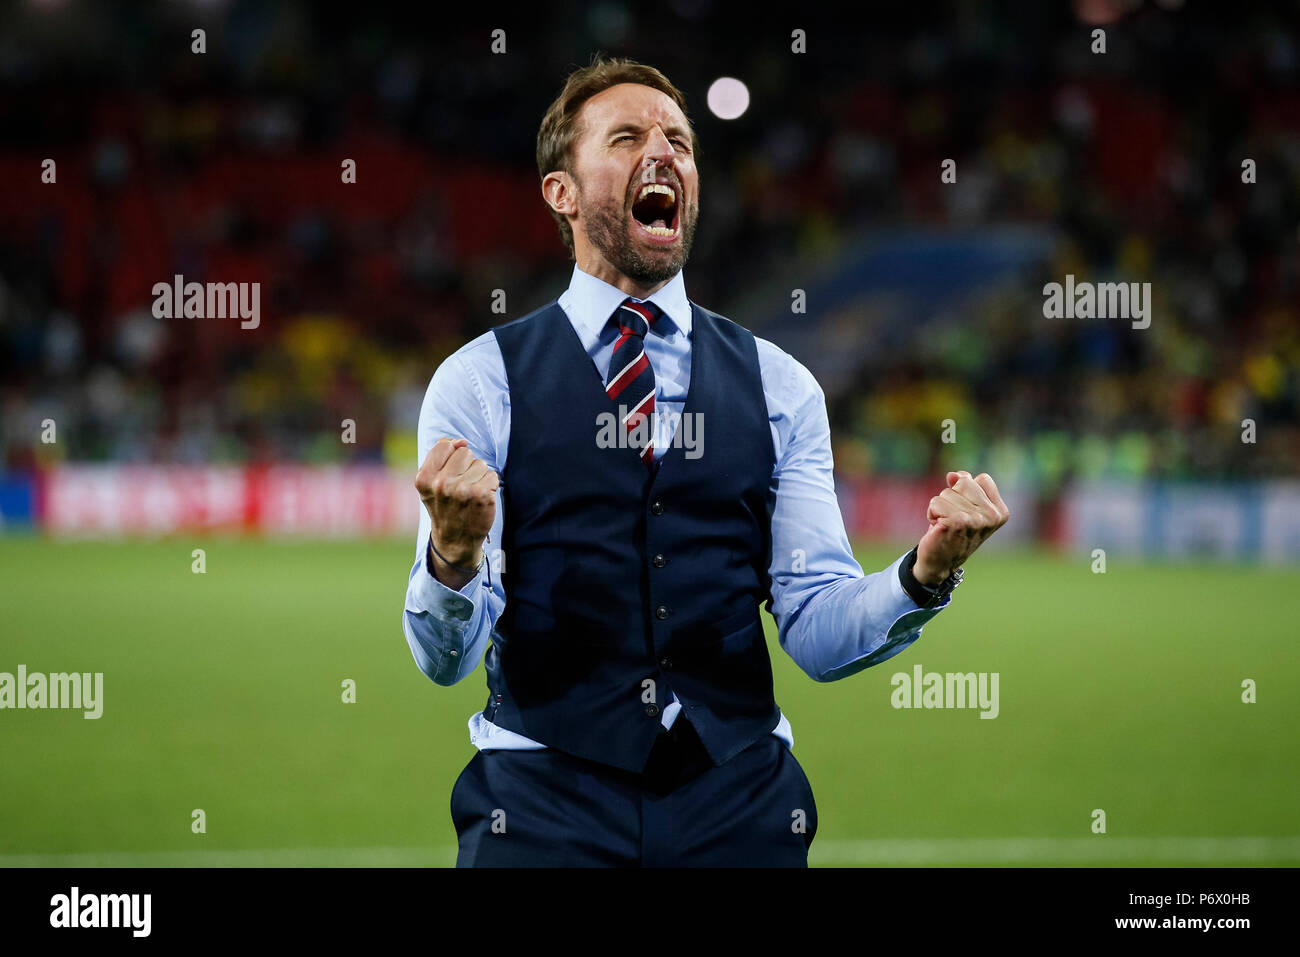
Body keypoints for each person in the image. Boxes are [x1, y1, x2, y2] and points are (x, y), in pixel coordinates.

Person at [402, 55, 1010, 867]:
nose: (663, 153)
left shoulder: (782, 386)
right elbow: (445, 662)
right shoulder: (480, 382)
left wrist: (921, 575)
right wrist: (453, 554)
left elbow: (817, 629)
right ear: (563, 191)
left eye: (680, 142)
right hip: (540, 805)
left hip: (741, 804)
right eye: (626, 136)